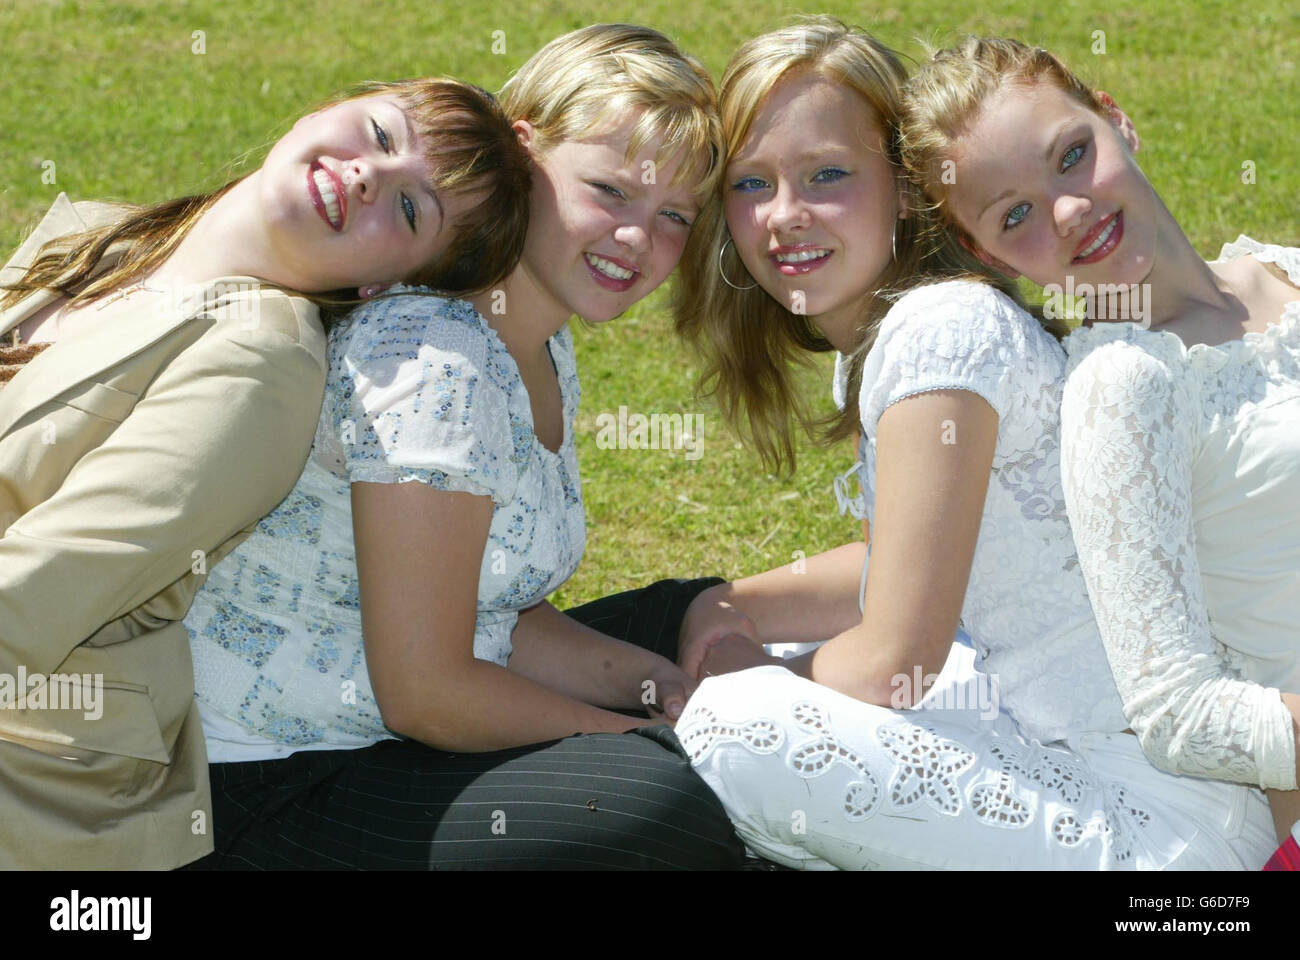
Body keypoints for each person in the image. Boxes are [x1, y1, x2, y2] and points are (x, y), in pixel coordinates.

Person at [669, 20, 1277, 869]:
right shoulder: (929, 327)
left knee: (731, 726)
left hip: (1160, 812)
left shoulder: (940, 331)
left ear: (910, 192)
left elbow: (895, 660)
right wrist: (734, 608)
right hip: (1121, 757)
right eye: (751, 183)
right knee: (782, 679)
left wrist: (739, 676)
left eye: (828, 175)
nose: (786, 216)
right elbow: (932, 559)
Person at [183, 24, 746, 871]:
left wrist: (658, 687)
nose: (639, 238)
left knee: (671, 636)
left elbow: (499, 622)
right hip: (263, 786)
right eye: (610, 191)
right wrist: (636, 737)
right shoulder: (434, 355)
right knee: (655, 803)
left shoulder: (540, 345)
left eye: (673, 215)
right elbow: (427, 692)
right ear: (523, 154)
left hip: (375, 735)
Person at [0, 76, 533, 868]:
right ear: (325, 109)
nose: (367, 176)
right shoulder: (101, 237)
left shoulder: (259, 365)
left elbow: (39, 594)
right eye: (382, 137)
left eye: (411, 209)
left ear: (383, 285)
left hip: (33, 784)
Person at [913, 37, 1300, 858]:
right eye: (1013, 214)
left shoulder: (1285, 270)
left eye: (1072, 156)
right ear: (988, 255)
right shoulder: (1121, 387)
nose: (1067, 210)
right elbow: (1180, 718)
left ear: (1117, 120)